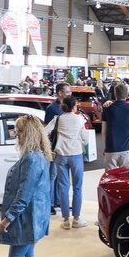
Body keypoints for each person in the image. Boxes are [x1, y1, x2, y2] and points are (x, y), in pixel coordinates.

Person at [0, 115, 58, 257]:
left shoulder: (33, 158)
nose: (17, 135)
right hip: (34, 218)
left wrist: (8, 218)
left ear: (30, 133)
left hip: (28, 220)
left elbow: (24, 194)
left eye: (20, 131)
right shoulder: (37, 156)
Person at [51, 95, 87, 229]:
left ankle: (65, 220)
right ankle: (76, 218)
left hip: (60, 156)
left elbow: (45, 131)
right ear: (74, 106)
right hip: (76, 155)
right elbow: (85, 138)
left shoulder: (58, 119)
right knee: (77, 187)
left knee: (63, 188)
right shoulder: (79, 119)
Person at [100, 83, 129, 169]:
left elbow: (104, 132)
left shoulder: (107, 108)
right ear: (127, 95)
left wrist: (106, 147)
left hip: (111, 148)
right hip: (127, 149)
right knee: (126, 178)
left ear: (115, 94)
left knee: (111, 179)